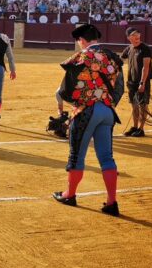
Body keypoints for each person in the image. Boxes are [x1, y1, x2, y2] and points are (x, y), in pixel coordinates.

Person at [52, 24, 125, 215]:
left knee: (77, 156)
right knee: (107, 157)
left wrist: (75, 103)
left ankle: (70, 194)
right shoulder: (112, 57)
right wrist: (107, 102)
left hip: (86, 110)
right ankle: (111, 202)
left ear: (82, 40)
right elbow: (119, 87)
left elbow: (65, 91)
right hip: (107, 111)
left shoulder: (82, 56)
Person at [121, 27, 152, 137]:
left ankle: (141, 129)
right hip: (131, 81)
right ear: (129, 37)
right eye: (134, 35)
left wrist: (142, 83)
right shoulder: (129, 48)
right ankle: (135, 126)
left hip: (142, 81)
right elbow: (120, 60)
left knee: (142, 105)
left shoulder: (145, 49)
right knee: (134, 105)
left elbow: (146, 67)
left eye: (138, 35)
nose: (137, 37)